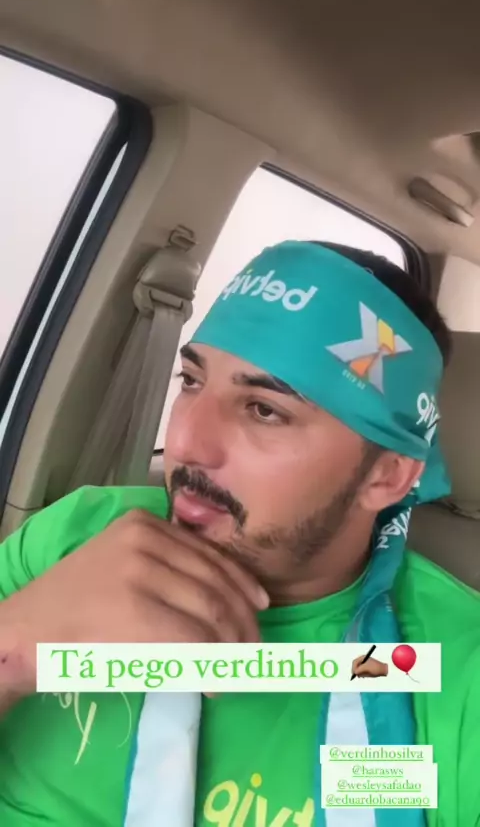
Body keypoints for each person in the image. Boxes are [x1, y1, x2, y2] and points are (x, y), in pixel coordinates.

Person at [0, 239, 479, 827]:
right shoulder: (78, 536)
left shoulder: (456, 672)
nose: (184, 444)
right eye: (191, 381)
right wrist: (13, 645)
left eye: (264, 410)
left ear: (385, 476)